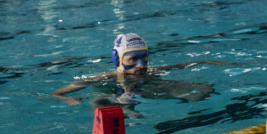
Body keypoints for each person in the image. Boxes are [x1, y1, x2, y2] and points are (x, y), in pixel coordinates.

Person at [49, 33, 228, 109]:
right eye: (133, 59)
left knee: (200, 94)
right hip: (112, 97)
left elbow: (189, 64)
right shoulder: (105, 78)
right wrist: (67, 99)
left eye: (144, 58)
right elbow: (55, 93)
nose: (141, 65)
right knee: (99, 102)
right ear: (117, 60)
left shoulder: (152, 72)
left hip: (145, 92)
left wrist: (210, 62)